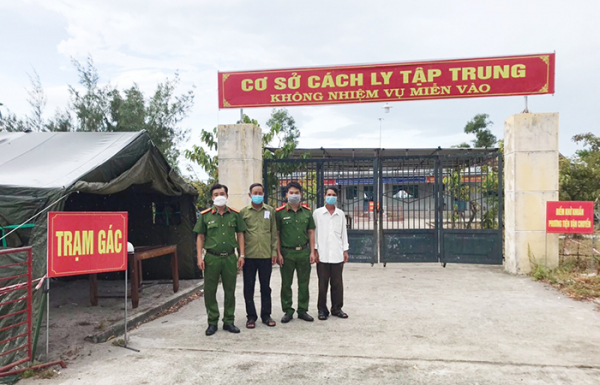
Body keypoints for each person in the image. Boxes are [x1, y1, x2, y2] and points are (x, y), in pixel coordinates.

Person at [194, 184, 246, 336]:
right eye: (216, 194)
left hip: (230, 257)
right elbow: (200, 237)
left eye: (222, 193)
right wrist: (199, 257)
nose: (219, 196)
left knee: (230, 290)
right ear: (212, 197)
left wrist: (241, 255)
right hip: (212, 258)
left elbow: (241, 234)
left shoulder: (235, 215)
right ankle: (212, 322)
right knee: (210, 291)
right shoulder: (205, 215)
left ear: (227, 196)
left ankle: (229, 321)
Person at [276, 182, 317, 323]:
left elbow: (311, 232)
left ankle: (302, 310)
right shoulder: (279, 213)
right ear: (286, 194)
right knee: (286, 284)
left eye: (296, 193)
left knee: (304, 283)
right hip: (287, 253)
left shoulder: (307, 212)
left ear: (301, 195)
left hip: (303, 252)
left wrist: (312, 252)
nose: (294, 195)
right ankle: (287, 310)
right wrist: (278, 253)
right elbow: (277, 234)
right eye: (291, 192)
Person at [240, 183, 278, 329]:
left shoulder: (270, 211)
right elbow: (240, 235)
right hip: (249, 256)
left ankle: (266, 315)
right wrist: (241, 254)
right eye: (255, 193)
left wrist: (274, 251)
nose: (257, 195)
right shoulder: (244, 213)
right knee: (249, 287)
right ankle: (251, 317)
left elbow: (274, 233)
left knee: (265, 287)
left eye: (260, 193)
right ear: (250, 195)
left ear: (264, 194)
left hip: (265, 255)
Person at [313, 187, 349, 320]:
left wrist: (345, 250)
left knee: (337, 284)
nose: (331, 197)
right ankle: (322, 309)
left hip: (337, 254)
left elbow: (344, 233)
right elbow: (314, 233)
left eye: (333, 195)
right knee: (322, 284)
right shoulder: (317, 213)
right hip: (322, 254)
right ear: (324, 196)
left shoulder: (340, 214)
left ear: (337, 197)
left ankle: (337, 308)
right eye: (329, 194)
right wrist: (315, 250)